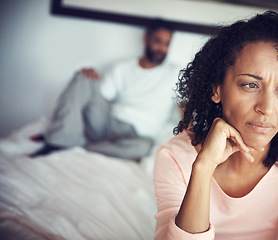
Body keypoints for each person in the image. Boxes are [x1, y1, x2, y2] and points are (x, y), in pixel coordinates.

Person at [153, 11, 278, 239]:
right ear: (217, 89)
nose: (267, 107)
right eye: (250, 85)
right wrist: (203, 168)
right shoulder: (174, 156)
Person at [30, 19, 179, 160]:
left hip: (136, 136)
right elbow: (100, 98)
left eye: (167, 43)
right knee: (83, 77)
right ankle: (59, 139)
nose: (162, 48)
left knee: (143, 148)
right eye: (158, 41)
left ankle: (77, 145)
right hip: (108, 123)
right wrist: (90, 77)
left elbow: (186, 103)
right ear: (146, 38)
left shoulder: (175, 73)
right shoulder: (122, 68)